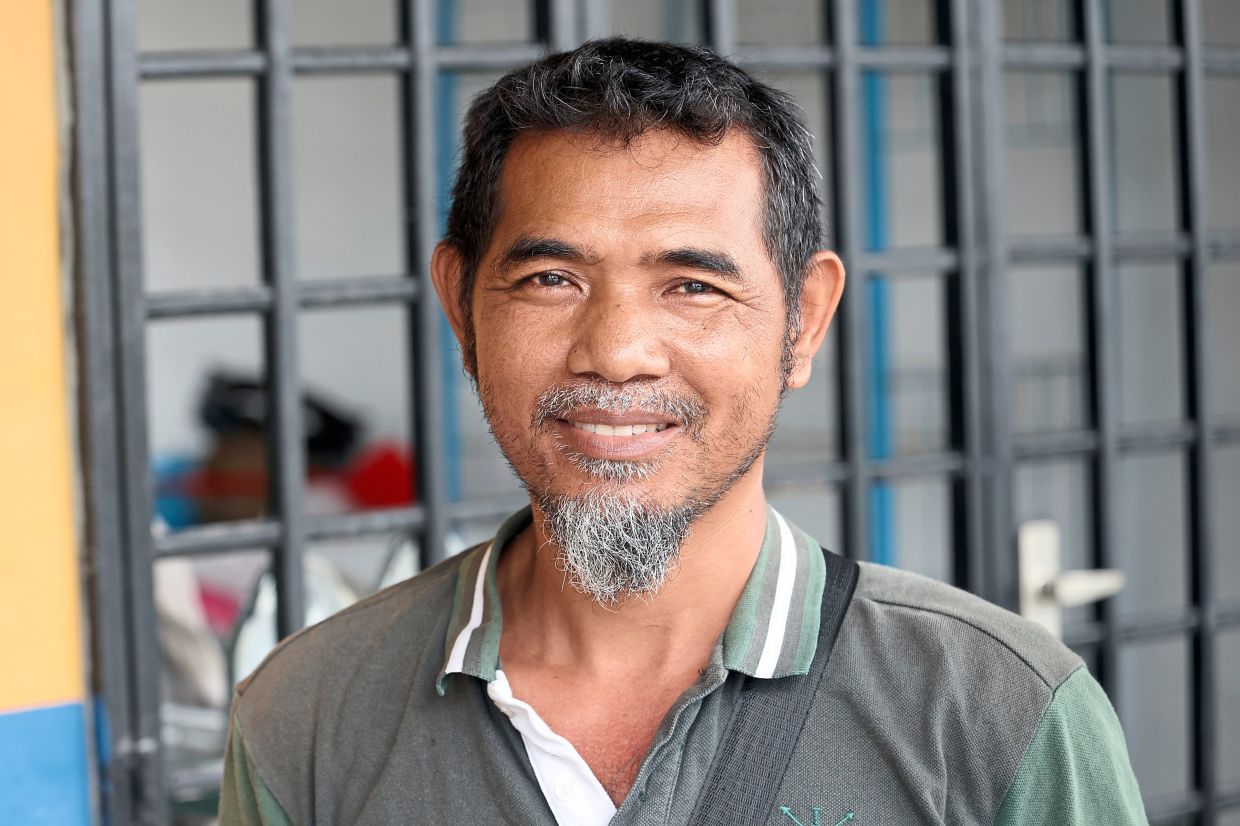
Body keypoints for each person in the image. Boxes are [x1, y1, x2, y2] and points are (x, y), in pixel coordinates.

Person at [219, 38, 1146, 825]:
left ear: (805, 321)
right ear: (462, 308)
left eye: (693, 285)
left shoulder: (997, 713)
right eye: (551, 280)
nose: (617, 353)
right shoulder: (308, 714)